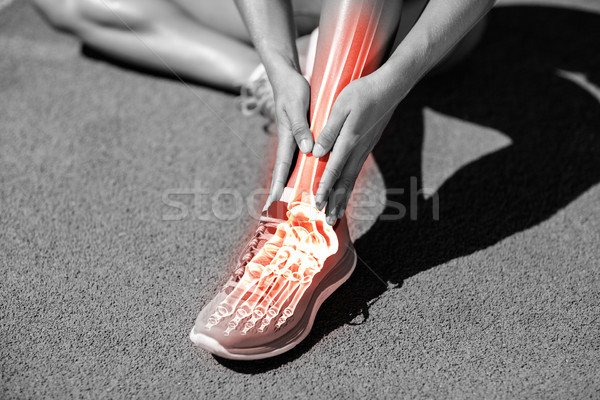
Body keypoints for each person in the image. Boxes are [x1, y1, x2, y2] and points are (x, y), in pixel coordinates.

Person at [35, 0, 495, 359]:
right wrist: (275, 66)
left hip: (424, 23)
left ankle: (310, 218)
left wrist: (395, 80)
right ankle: (278, 76)